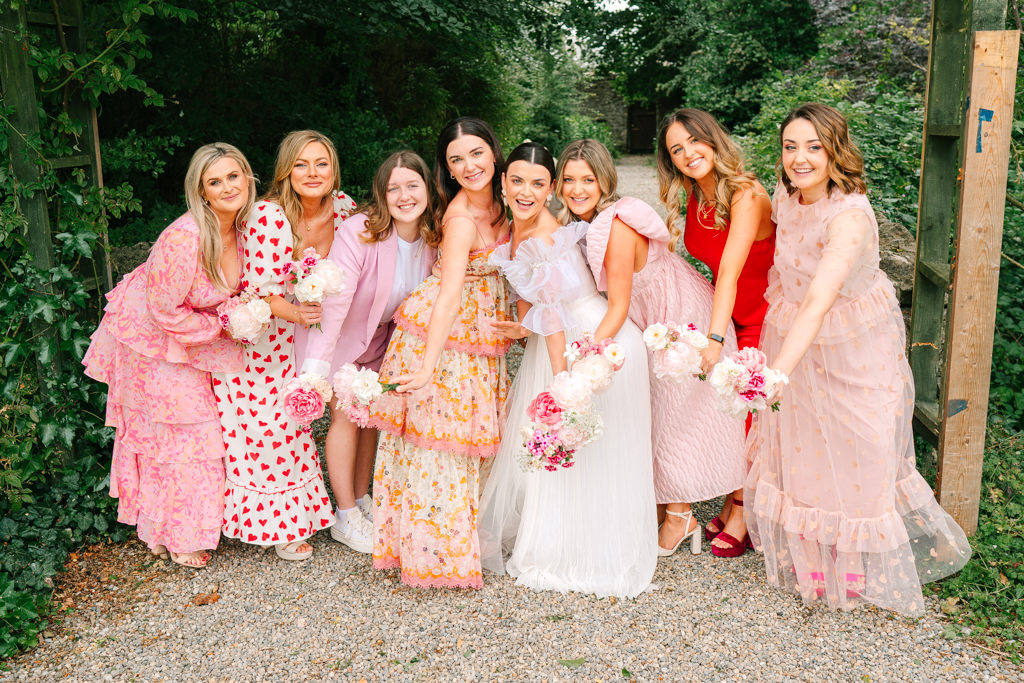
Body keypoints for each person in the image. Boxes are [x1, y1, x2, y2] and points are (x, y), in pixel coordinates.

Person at [745, 102, 970, 614]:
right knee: (803, 441)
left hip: (852, 340)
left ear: (835, 150)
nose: (799, 158)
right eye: (790, 146)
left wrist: (777, 371)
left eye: (813, 147)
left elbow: (822, 298)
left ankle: (857, 558)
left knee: (862, 441)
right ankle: (815, 553)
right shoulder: (785, 194)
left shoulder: (848, 218)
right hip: (794, 333)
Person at [478, 142, 657, 598]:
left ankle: (581, 553)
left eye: (538, 184)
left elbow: (556, 313)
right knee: (583, 456)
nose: (526, 191)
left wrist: (563, 382)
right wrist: (523, 329)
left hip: (589, 345)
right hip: (568, 342)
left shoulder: (543, 234)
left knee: (585, 451)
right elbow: (542, 307)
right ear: (503, 182)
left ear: (548, 188)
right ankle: (575, 542)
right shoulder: (529, 228)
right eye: (517, 181)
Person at [566, 138, 745, 558]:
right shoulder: (590, 223)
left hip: (682, 319)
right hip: (660, 317)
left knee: (674, 415)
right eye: (569, 180)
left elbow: (619, 306)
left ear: (604, 181)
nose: (578, 189)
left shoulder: (617, 227)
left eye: (588, 180)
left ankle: (681, 517)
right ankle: (669, 506)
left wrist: (584, 358)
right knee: (660, 412)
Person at [83, 142, 254, 568]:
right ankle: (176, 533)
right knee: (182, 435)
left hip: (186, 330)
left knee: (184, 437)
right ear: (202, 192)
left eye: (234, 176)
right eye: (215, 181)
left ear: (248, 178)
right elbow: (163, 309)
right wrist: (222, 328)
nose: (228, 187)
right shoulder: (184, 238)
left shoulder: (249, 227)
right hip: (152, 339)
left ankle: (170, 526)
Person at [366, 117, 511, 589]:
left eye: (476, 153)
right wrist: (427, 364)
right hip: (444, 334)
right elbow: (449, 295)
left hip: (482, 332)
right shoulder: (461, 217)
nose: (468, 166)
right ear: (446, 169)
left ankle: (465, 538)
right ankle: (435, 554)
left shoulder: (509, 201)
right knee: (442, 443)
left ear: (493, 151)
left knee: (472, 438)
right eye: (455, 160)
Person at [213, 130, 357, 561]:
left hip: (316, 328)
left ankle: (320, 510)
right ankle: (278, 524)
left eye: (322, 164)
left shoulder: (345, 210)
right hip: (267, 331)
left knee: (304, 417)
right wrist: (295, 313)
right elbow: (255, 291)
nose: (312, 173)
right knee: (274, 425)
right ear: (286, 171)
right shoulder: (268, 215)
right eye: (301, 164)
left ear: (334, 170)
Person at [300, 151, 438, 553]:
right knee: (346, 419)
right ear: (381, 195)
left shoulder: (433, 238)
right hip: (342, 337)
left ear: (427, 189)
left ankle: (362, 500)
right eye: (393, 188)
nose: (404, 195)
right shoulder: (360, 231)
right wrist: (315, 368)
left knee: (371, 421)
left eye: (413, 185)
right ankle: (344, 515)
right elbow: (337, 302)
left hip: (385, 343)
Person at [657, 109, 776, 557]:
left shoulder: (745, 193)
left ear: (713, 140)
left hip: (764, 312)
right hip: (727, 313)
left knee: (747, 407)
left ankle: (743, 509)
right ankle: (731, 497)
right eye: (676, 150)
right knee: (723, 407)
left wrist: (715, 340)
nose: (688, 154)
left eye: (694, 142)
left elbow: (728, 270)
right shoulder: (691, 195)